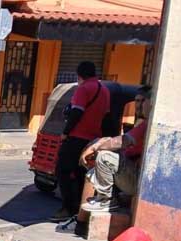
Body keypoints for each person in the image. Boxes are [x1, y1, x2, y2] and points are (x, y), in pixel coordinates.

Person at [50, 61, 110, 222]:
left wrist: (65, 132)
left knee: (62, 170)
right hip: (93, 139)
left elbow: (76, 112)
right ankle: (79, 206)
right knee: (80, 173)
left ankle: (67, 208)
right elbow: (105, 115)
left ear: (80, 75)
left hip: (77, 137)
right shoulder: (104, 90)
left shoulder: (83, 89)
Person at [78, 85, 153, 212]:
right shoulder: (141, 122)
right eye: (137, 101)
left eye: (142, 101)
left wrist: (95, 147)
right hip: (130, 170)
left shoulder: (146, 124)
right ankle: (81, 219)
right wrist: (99, 143)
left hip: (136, 179)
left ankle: (105, 200)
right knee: (97, 156)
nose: (139, 105)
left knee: (104, 156)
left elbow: (122, 142)